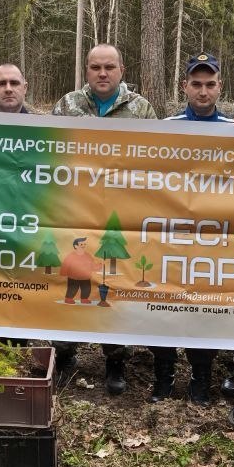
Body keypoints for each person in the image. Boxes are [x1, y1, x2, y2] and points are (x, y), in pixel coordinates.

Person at [53, 44, 157, 394]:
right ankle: (65, 354)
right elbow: (51, 154)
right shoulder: (67, 105)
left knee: (113, 282)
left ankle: (115, 360)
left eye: (109, 67)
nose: (102, 73)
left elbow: (157, 160)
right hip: (75, 211)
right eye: (95, 67)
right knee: (72, 281)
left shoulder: (141, 109)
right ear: (86, 70)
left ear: (121, 69)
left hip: (119, 216)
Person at [151, 54, 229, 404]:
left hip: (214, 238)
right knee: (163, 304)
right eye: (196, 84)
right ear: (185, 87)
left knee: (206, 309)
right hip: (171, 235)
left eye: (209, 84)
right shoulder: (166, 126)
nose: (203, 91)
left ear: (219, 88)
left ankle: (201, 380)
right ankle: (163, 378)